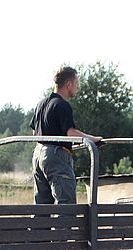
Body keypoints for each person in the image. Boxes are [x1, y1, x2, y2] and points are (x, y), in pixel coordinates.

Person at [29, 66, 102, 204]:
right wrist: (93, 139)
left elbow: (35, 132)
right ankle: (64, 226)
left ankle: (38, 226)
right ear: (69, 84)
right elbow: (70, 133)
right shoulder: (62, 105)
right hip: (56, 155)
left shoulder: (41, 104)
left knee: (41, 204)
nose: (77, 87)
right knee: (65, 204)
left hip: (38, 154)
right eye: (76, 83)